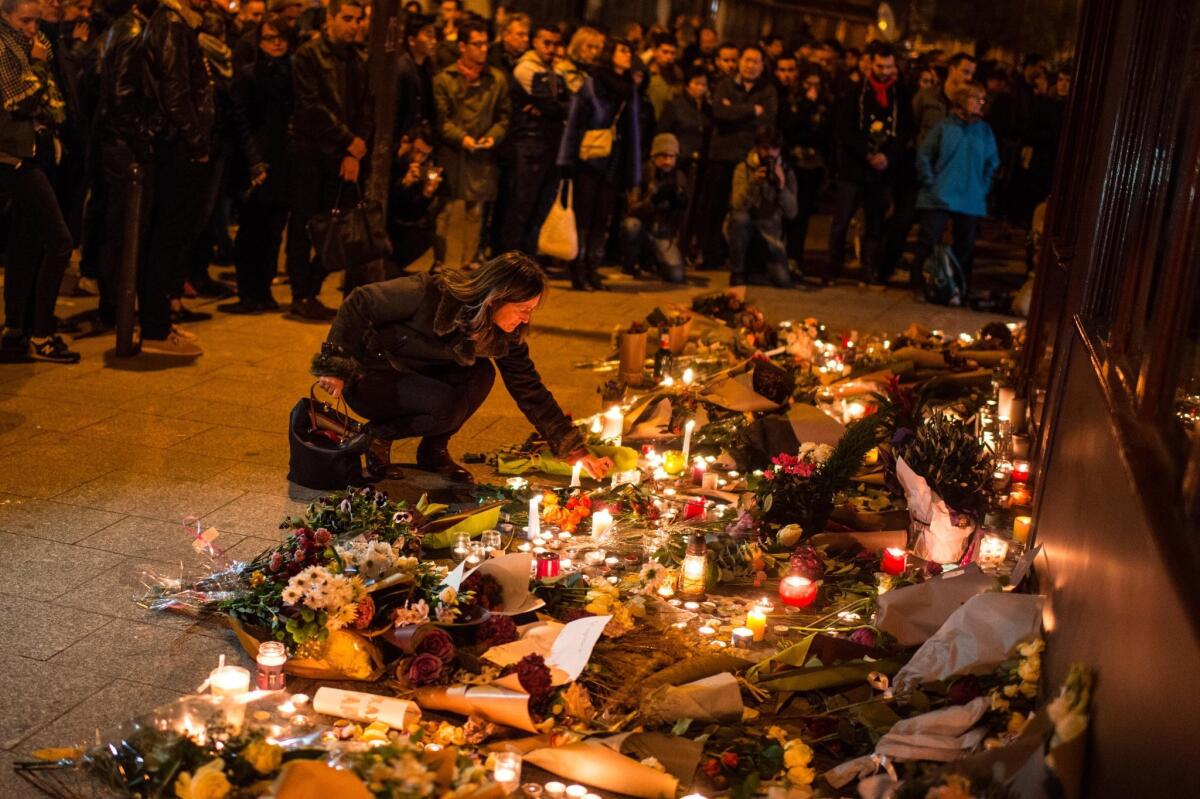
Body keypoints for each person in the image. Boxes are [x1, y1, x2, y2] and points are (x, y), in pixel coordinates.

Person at [311, 253, 615, 484]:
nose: (526, 319)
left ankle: (434, 450)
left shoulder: (503, 333)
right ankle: (378, 434)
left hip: (421, 379)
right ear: (497, 298)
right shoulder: (430, 292)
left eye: (531, 311)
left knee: (481, 374)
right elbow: (359, 302)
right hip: (373, 376)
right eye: (523, 310)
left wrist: (577, 451)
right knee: (446, 405)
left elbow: (530, 389)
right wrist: (337, 365)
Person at [0, 0, 79, 363]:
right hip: (13, 157)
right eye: (24, 20)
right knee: (59, 241)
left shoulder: (25, 46)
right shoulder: (6, 48)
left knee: (27, 243)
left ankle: (16, 331)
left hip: (30, 152)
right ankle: (41, 333)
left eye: (34, 20)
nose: (32, 27)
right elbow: (21, 101)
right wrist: (37, 64)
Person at [139, 0, 216, 356]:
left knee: (172, 237)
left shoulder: (178, 23)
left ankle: (160, 321)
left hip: (179, 145)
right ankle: (155, 326)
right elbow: (175, 90)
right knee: (167, 236)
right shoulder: (171, 24)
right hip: (177, 148)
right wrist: (196, 140)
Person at [286, 0, 371, 320]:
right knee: (305, 224)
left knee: (339, 225)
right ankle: (301, 292)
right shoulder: (309, 55)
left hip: (341, 153)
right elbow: (310, 107)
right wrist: (348, 140)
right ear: (330, 20)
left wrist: (353, 149)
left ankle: (310, 285)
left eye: (357, 19)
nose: (353, 25)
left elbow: (364, 106)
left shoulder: (357, 59)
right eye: (346, 18)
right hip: (309, 152)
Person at [82, 0, 151, 334]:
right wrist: (143, 141)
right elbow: (122, 94)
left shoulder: (119, 29)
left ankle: (113, 305)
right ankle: (114, 308)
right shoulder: (132, 31)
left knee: (114, 224)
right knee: (121, 228)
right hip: (121, 146)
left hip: (110, 141)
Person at [882, 52, 976, 284]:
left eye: (972, 74)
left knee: (935, 231)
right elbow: (908, 128)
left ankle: (929, 278)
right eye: (965, 71)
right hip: (918, 172)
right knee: (902, 221)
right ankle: (885, 269)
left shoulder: (967, 104)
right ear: (952, 69)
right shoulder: (926, 97)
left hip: (948, 177)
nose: (968, 77)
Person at [221, 13, 293, 314]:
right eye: (269, 38)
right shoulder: (249, 75)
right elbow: (240, 122)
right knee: (252, 230)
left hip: (282, 160)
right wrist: (253, 161)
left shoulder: (292, 73)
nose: (276, 44)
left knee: (273, 229)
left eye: (281, 38)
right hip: (257, 162)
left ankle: (263, 290)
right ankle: (248, 292)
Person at [557, 36, 641, 291]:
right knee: (584, 216)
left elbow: (634, 129)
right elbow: (575, 123)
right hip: (588, 161)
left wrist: (632, 169)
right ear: (610, 54)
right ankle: (577, 269)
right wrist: (566, 161)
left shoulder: (629, 88)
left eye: (629, 52)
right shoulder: (593, 85)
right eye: (623, 51)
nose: (628, 56)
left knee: (602, 218)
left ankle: (592, 269)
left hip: (615, 161)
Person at [827, 41, 912, 284]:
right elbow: (845, 127)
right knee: (841, 220)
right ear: (871, 64)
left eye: (888, 67)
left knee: (875, 222)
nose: (884, 71)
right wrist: (866, 152)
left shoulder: (900, 94)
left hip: (881, 172)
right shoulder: (856, 91)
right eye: (879, 66)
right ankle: (834, 265)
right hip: (854, 169)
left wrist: (888, 156)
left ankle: (868, 266)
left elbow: (905, 130)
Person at [432, 18, 510, 272]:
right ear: (462, 46)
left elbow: (504, 116)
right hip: (452, 153)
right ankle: (440, 262)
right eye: (477, 44)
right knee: (444, 209)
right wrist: (460, 137)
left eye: (486, 44)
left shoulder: (496, 80)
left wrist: (493, 136)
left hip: (481, 155)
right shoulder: (445, 79)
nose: (484, 49)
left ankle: (469, 263)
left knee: (475, 210)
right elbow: (440, 119)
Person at [913, 83, 998, 301]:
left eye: (983, 100)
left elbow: (992, 162)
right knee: (928, 241)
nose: (981, 103)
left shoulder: (984, 130)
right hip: (939, 195)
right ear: (962, 100)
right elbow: (924, 155)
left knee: (965, 247)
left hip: (970, 197)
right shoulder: (944, 127)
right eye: (975, 98)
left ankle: (959, 287)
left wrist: (982, 187)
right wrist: (930, 182)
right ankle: (921, 285)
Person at [700, 44, 776, 270]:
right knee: (714, 208)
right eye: (747, 60)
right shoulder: (724, 85)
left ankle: (739, 260)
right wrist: (752, 110)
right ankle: (709, 255)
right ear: (739, 62)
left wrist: (734, 110)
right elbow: (719, 113)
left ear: (763, 65)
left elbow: (767, 120)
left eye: (756, 62)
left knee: (742, 210)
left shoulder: (768, 90)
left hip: (748, 158)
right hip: (721, 155)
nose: (751, 66)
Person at [498, 22, 567, 254]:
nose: (551, 48)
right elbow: (553, 105)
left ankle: (526, 260)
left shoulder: (555, 71)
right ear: (535, 42)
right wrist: (552, 108)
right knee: (521, 205)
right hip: (529, 144)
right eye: (546, 43)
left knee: (540, 206)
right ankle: (510, 260)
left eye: (555, 44)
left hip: (549, 144)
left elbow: (571, 105)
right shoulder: (527, 68)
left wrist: (553, 108)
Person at [726, 126, 797, 287]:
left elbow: (792, 213)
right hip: (746, 229)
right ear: (758, 148)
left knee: (783, 280)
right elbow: (736, 204)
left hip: (770, 233)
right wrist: (754, 182)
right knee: (739, 219)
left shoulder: (786, 172)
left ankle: (755, 270)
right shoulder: (743, 168)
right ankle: (737, 271)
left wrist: (781, 187)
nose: (770, 154)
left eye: (775, 149)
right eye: (766, 148)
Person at [776, 62, 829, 270]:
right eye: (808, 84)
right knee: (785, 210)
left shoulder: (825, 104)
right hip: (793, 163)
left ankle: (794, 258)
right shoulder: (791, 102)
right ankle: (777, 255)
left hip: (813, 166)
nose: (813, 89)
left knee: (803, 213)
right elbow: (790, 129)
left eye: (817, 85)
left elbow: (823, 135)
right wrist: (807, 105)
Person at [656, 65, 710, 260]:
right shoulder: (675, 105)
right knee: (679, 208)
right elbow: (664, 133)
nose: (701, 88)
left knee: (697, 210)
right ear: (687, 85)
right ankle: (671, 248)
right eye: (696, 84)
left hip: (700, 166)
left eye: (704, 84)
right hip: (680, 166)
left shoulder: (707, 109)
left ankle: (688, 248)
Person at [620, 132, 688, 282]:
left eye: (672, 157)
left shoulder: (678, 176)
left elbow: (682, 215)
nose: (668, 161)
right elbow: (631, 209)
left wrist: (678, 198)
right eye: (663, 156)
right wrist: (652, 199)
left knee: (675, 276)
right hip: (643, 226)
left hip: (662, 231)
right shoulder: (642, 173)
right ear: (654, 156)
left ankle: (654, 264)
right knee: (631, 226)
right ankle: (630, 264)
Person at [387, 124, 442, 271]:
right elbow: (386, 205)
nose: (419, 158)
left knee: (428, 235)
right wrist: (403, 184)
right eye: (417, 151)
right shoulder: (388, 161)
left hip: (400, 228)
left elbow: (412, 213)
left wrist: (426, 194)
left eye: (424, 154)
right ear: (405, 142)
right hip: (380, 226)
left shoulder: (417, 168)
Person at [395, 12, 436, 136]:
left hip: (420, 139)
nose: (433, 41)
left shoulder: (428, 67)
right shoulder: (401, 68)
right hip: (403, 141)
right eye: (428, 35)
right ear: (412, 40)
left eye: (434, 36)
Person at [555, 25, 602, 94]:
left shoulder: (595, 72)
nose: (594, 52)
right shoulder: (561, 69)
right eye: (589, 46)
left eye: (596, 48)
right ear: (578, 45)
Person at [644, 30, 679, 119]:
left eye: (672, 53)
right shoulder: (644, 73)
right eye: (665, 52)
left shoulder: (677, 76)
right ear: (655, 51)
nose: (669, 57)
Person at [486, 9, 526, 74]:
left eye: (526, 34)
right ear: (506, 36)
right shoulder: (491, 57)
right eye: (520, 34)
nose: (526, 39)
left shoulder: (529, 55)